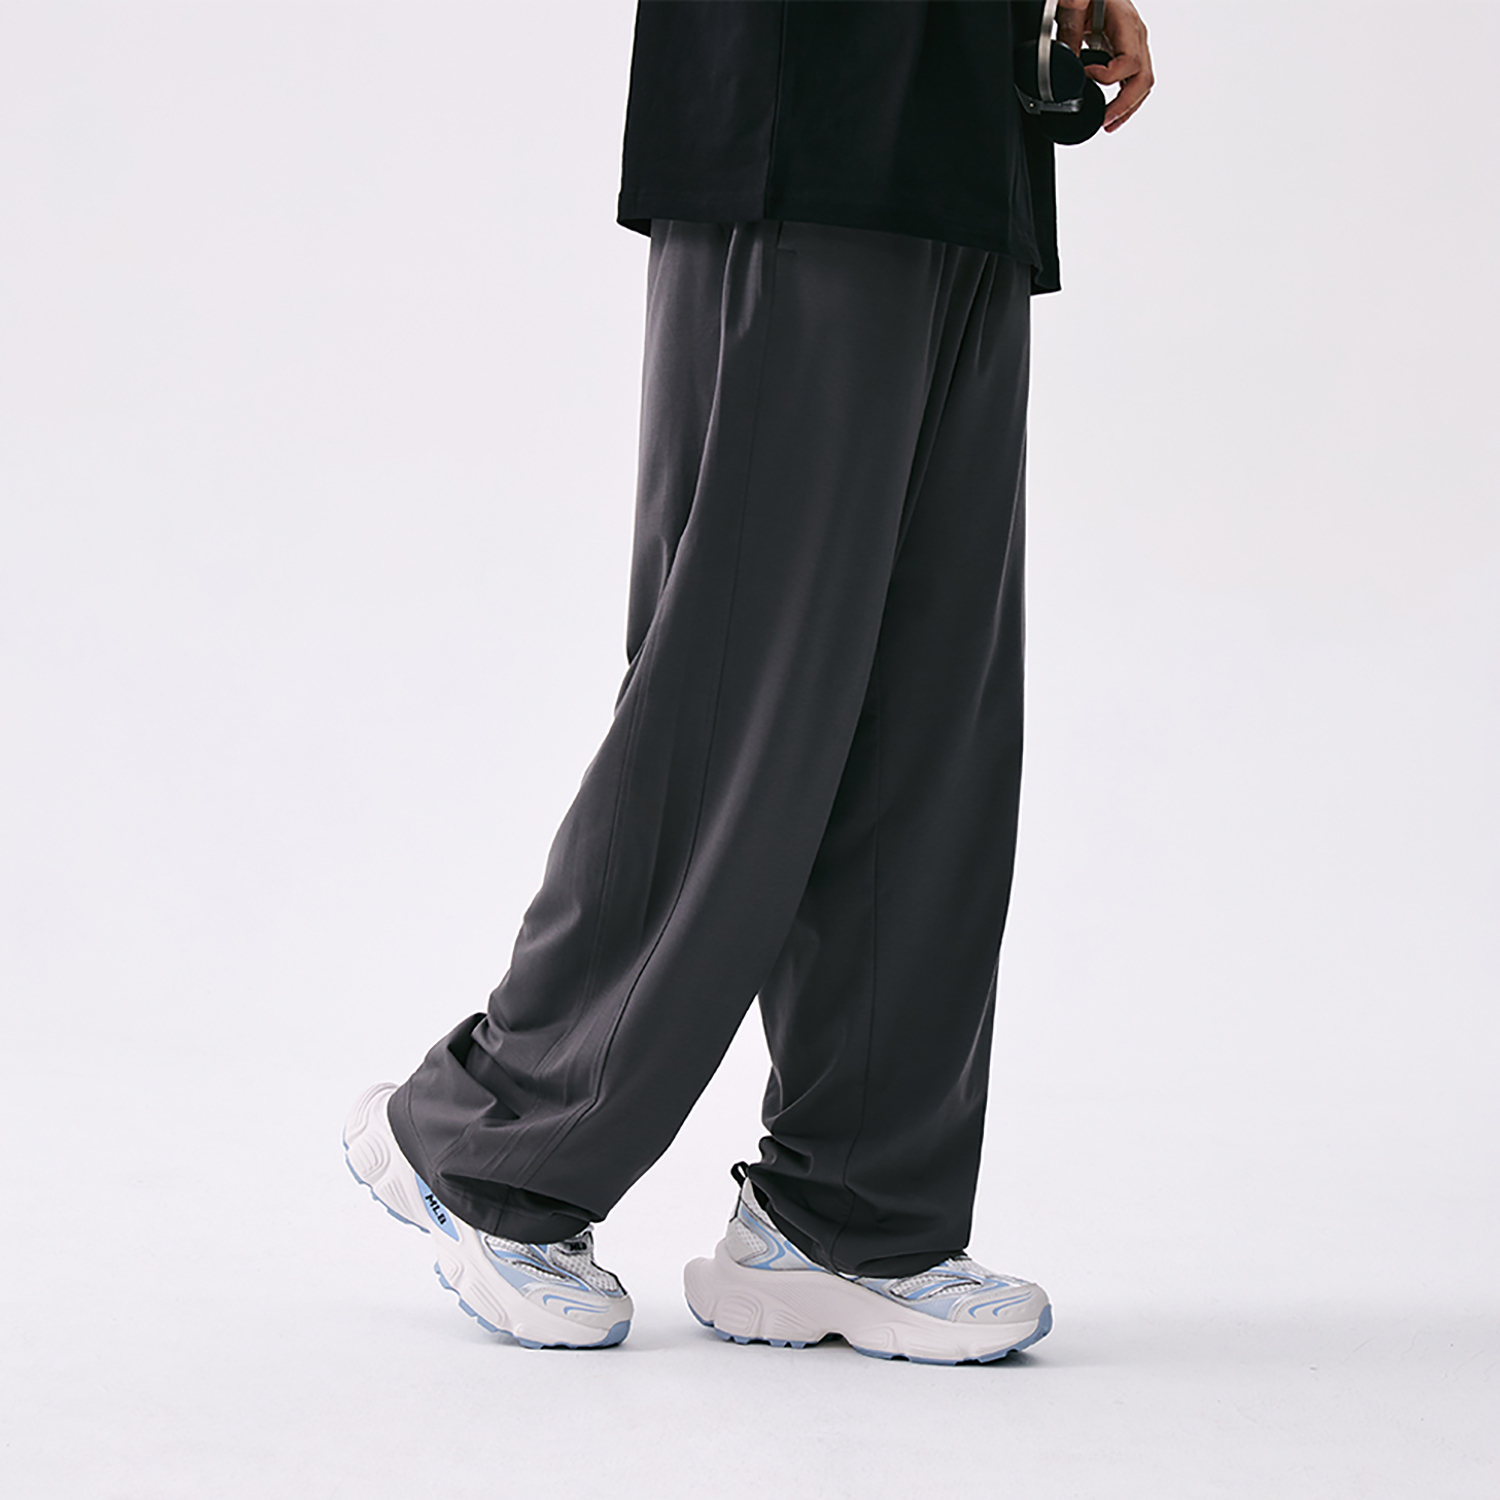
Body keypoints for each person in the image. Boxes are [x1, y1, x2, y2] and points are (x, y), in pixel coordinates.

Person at [344, 0, 1154, 1362]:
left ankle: (848, 1217)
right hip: (796, 118)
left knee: (930, 720)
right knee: (745, 693)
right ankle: (488, 1139)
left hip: (967, 139)